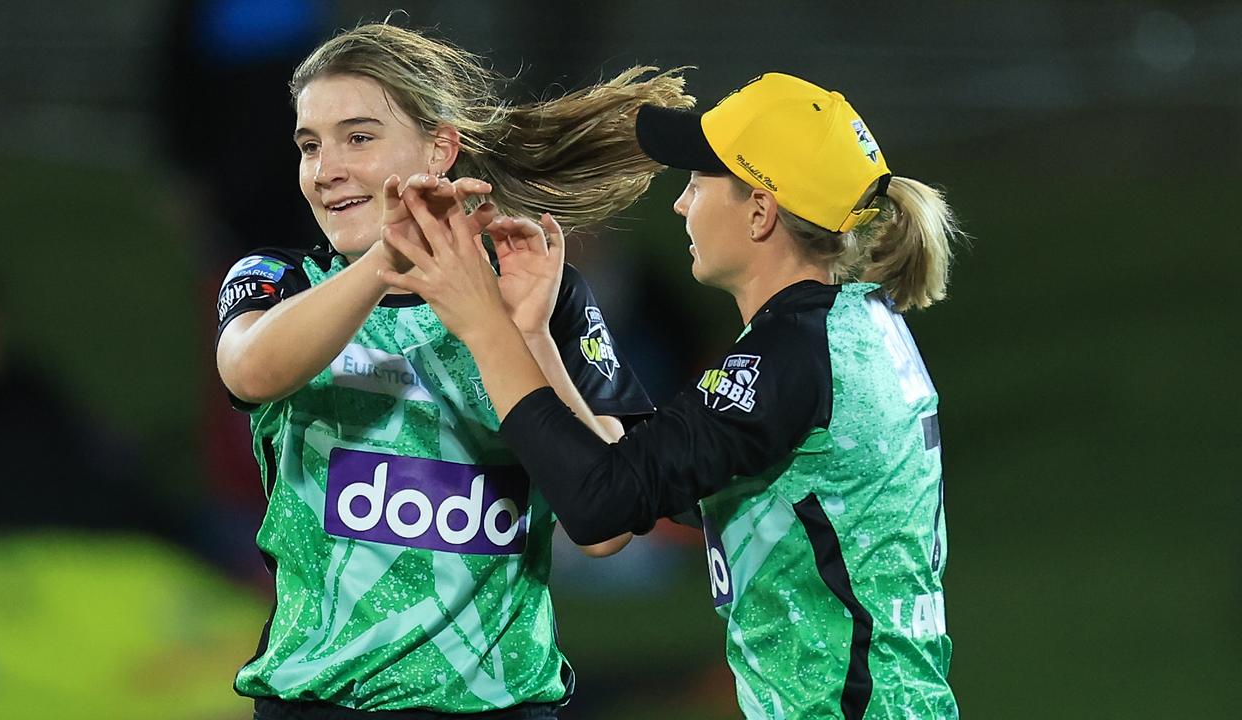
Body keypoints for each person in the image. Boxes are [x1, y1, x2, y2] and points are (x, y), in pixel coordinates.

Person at [380, 72, 962, 719]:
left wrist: (481, 322)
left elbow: (600, 502)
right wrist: (533, 335)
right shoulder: (849, 326)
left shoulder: (795, 354)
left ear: (760, 211)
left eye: (698, 182)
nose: (681, 204)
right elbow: (633, 477)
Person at [213, 20, 693, 719]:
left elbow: (608, 523)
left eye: (359, 137)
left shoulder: (536, 292)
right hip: (322, 704)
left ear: (439, 149)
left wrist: (528, 332)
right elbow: (251, 371)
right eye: (310, 145)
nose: (326, 168)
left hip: (502, 706)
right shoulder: (280, 281)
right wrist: (386, 261)